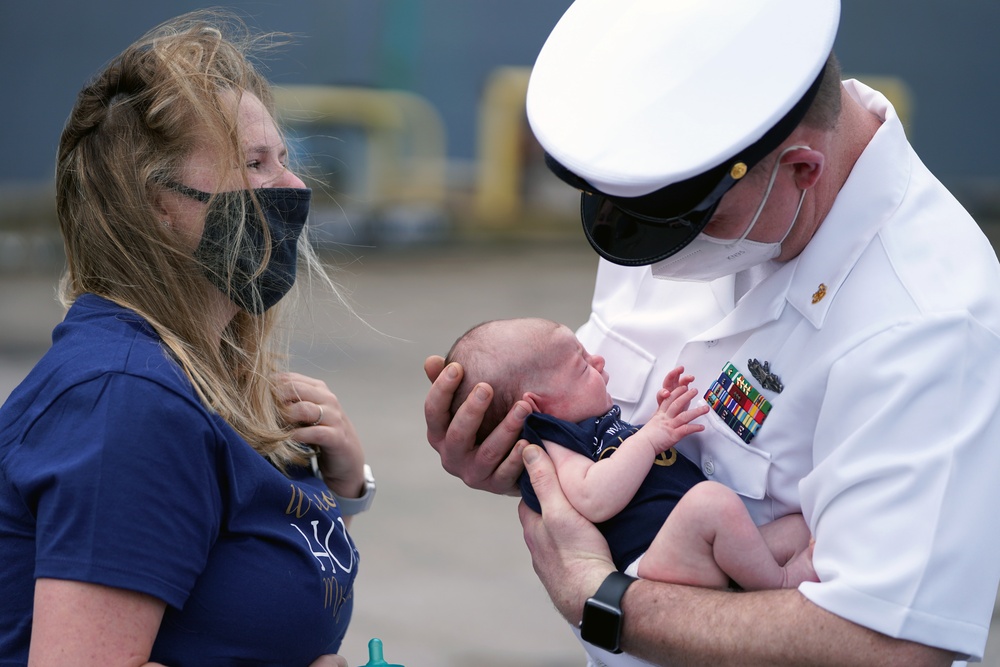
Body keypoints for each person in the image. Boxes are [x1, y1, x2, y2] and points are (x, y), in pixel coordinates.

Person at [424, 1, 1000, 665]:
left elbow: (888, 644)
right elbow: (596, 425)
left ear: (801, 169)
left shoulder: (927, 319)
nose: (646, 254)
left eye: (680, 224)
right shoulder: (673, 192)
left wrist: (606, 600)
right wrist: (518, 453)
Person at [0, 12, 374, 667]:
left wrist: (348, 487)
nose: (293, 187)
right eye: (256, 164)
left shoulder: (199, 372)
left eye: (286, 159)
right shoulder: (125, 402)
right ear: (157, 204)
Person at [446, 317, 817, 591]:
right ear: (538, 407)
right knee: (711, 504)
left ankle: (800, 570)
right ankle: (779, 584)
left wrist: (661, 415)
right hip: (650, 563)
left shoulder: (596, 425)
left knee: (801, 524)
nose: (599, 362)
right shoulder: (552, 441)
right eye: (582, 366)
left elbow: (630, 460)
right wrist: (652, 436)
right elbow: (593, 497)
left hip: (692, 548)